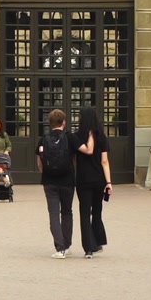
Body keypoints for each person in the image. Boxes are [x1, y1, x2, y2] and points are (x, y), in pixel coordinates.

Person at [73, 107, 112, 258]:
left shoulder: (77, 137)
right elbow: (104, 161)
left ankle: (88, 248)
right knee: (97, 212)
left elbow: (78, 156)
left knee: (84, 213)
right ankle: (98, 242)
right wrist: (108, 182)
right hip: (99, 180)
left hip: (83, 179)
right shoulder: (102, 137)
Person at [37, 109, 75, 258]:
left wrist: (46, 172)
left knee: (53, 213)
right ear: (64, 123)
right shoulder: (69, 138)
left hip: (49, 181)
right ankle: (67, 244)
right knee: (67, 212)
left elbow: (40, 161)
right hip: (67, 180)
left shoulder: (44, 139)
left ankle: (59, 248)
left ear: (50, 123)